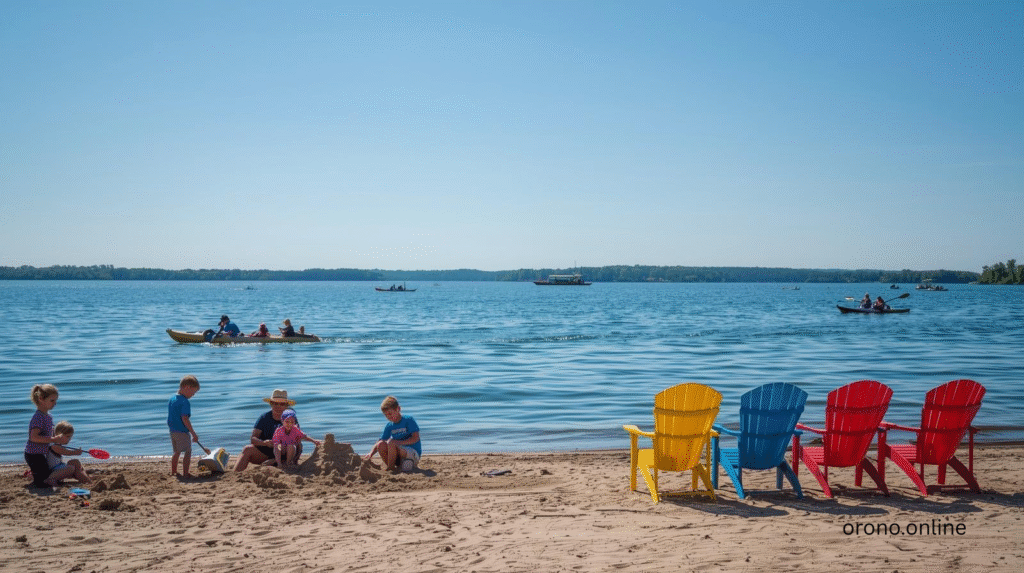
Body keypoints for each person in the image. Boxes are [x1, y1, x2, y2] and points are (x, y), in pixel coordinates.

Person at [233, 389, 301, 471]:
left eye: (282, 404)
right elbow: (253, 439)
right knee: (247, 449)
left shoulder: (291, 418)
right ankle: (235, 474)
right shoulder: (264, 417)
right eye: (275, 403)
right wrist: (264, 443)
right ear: (271, 404)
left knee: (293, 445)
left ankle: (283, 462)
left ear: (286, 406)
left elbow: (298, 441)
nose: (278, 406)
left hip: (284, 453)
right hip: (266, 452)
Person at [24, 384, 71, 488]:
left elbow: (49, 434)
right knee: (43, 481)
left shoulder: (48, 416)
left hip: (42, 453)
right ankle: (35, 476)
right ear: (41, 399)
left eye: (55, 401)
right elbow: (33, 437)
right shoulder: (38, 417)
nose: (55, 404)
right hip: (33, 454)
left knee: (47, 473)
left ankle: (34, 474)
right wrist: (53, 438)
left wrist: (59, 438)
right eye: (52, 400)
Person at [364, 396, 421, 473]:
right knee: (381, 444)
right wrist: (371, 453)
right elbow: (380, 441)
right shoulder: (389, 425)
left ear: (398, 409)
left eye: (390, 413)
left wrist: (397, 443)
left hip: (411, 453)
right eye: (386, 415)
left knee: (391, 442)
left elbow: (415, 438)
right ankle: (395, 466)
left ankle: (391, 468)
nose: (388, 417)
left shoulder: (408, 420)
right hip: (398, 455)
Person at [168, 375, 201, 478]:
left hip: (172, 430)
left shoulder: (173, 398)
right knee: (187, 451)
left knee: (176, 452)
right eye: (193, 392)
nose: (193, 395)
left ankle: (174, 471)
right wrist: (193, 433)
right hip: (181, 431)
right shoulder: (184, 401)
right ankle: (186, 473)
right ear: (187, 387)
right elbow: (185, 418)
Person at [44, 421, 92, 486]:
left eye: (70, 437)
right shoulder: (54, 445)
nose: (69, 439)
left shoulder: (57, 443)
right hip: (52, 472)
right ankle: (50, 479)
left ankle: (85, 479)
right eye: (67, 436)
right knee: (70, 468)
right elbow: (65, 452)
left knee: (76, 462)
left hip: (58, 467)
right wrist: (75, 452)